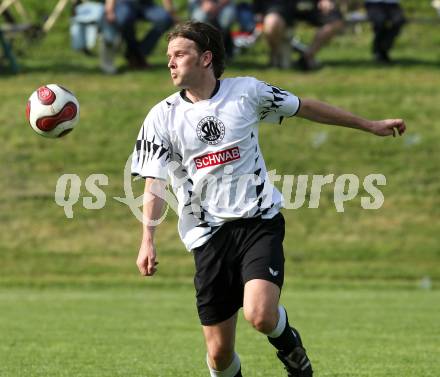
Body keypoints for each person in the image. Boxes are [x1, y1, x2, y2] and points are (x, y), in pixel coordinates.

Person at [131, 21, 406, 377]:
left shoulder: (246, 92)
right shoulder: (161, 117)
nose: (170, 63)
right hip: (207, 237)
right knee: (218, 354)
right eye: (169, 56)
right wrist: (147, 239)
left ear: (206, 59)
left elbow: (304, 107)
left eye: (180, 54)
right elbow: (154, 182)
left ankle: (290, 346)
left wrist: (369, 125)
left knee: (259, 315)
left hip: (258, 222)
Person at [255, 0, 344, 70]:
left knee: (336, 22)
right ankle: (275, 56)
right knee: (271, 22)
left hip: (312, 4)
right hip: (281, 4)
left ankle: (306, 58)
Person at [104, 0, 176, 68]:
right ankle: (136, 55)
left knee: (165, 19)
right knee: (124, 20)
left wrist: (172, 14)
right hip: (125, 4)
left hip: (147, 5)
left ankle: (138, 53)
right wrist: (109, 10)